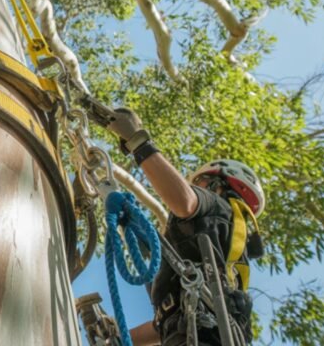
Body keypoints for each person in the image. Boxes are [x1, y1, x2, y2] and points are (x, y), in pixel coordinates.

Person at [108, 108, 266, 346]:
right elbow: (164, 323)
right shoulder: (210, 279)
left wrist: (138, 141)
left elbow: (186, 202)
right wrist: (116, 340)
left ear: (219, 185)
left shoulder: (218, 205)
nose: (195, 186)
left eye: (200, 182)